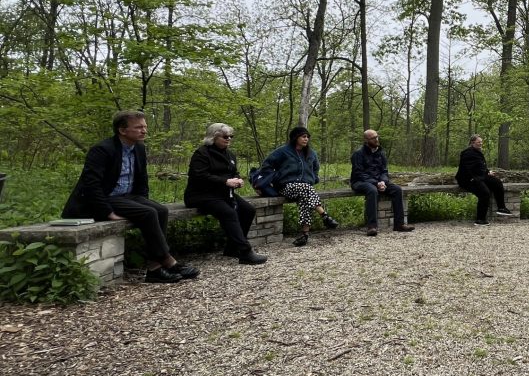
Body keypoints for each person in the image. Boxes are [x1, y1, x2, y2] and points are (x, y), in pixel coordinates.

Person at [62, 110, 200, 284]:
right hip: (104, 199)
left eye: (145, 127)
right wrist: (107, 213)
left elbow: (141, 179)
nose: (144, 131)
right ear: (122, 130)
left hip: (127, 196)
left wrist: (144, 199)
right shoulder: (102, 150)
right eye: (139, 127)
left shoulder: (139, 148)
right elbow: (92, 185)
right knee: (148, 213)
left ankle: (154, 267)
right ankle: (167, 261)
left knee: (160, 210)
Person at [184, 123, 267, 265]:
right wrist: (225, 181)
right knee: (229, 213)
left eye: (230, 136)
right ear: (213, 136)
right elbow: (199, 176)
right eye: (225, 136)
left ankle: (232, 248)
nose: (228, 139)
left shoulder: (229, 154)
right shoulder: (202, 153)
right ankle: (245, 252)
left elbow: (233, 172)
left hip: (223, 193)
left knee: (248, 210)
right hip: (201, 195)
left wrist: (238, 179)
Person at [260, 126, 339, 247]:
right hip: (286, 187)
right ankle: (324, 216)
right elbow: (266, 165)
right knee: (306, 189)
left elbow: (316, 169)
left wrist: (314, 178)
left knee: (305, 200)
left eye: (307, 137)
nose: (306, 139)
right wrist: (275, 178)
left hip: (306, 189)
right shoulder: (283, 151)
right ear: (295, 137)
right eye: (303, 136)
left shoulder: (311, 153)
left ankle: (305, 234)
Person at [351, 129, 410, 237]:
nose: (376, 139)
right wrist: (376, 183)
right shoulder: (358, 154)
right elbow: (359, 173)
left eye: (377, 137)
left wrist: (383, 181)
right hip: (360, 182)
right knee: (372, 190)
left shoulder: (381, 152)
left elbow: (384, 171)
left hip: (378, 181)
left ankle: (399, 224)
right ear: (366, 140)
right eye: (373, 138)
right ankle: (372, 226)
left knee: (397, 189)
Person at [456, 134, 513, 226]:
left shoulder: (476, 151)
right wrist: (481, 177)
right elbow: (469, 170)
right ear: (472, 142)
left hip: (478, 176)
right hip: (467, 179)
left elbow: (479, 166)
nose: (481, 143)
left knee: (496, 182)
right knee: (484, 193)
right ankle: (480, 220)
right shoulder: (467, 153)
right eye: (479, 142)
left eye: (481, 142)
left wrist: (487, 172)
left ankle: (501, 208)